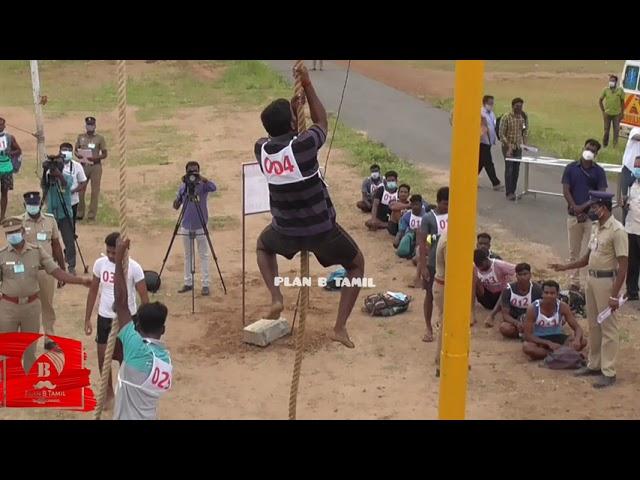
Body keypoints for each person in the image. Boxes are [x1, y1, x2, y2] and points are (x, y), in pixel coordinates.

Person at [254, 63, 364, 348]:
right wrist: (308, 86)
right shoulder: (303, 147)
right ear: (293, 124)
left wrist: (291, 112)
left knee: (263, 246)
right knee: (356, 264)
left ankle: (277, 296)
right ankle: (339, 327)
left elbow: (277, 137)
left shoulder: (262, 150)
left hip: (285, 231)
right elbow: (321, 123)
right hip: (321, 230)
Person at [550, 191, 628, 388]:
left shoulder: (617, 231)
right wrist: (565, 267)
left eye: (595, 207)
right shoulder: (596, 227)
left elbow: (623, 266)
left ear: (603, 208)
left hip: (606, 282)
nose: (592, 210)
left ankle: (608, 371)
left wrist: (614, 295)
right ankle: (595, 364)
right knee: (594, 324)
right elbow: (587, 258)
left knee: (608, 327)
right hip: (591, 280)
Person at [0, 217, 91, 372]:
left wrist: (80, 281)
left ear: (22, 231)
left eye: (15, 232)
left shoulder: (36, 252)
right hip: (8, 308)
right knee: (6, 352)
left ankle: (28, 388)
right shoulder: (2, 255)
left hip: (31, 308)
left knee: (30, 351)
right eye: (9, 233)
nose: (12, 236)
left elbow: (57, 272)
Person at [84, 232, 149, 407]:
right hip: (105, 317)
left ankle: (126, 393)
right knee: (103, 356)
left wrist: (145, 326)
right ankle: (108, 394)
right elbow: (93, 290)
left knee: (126, 358)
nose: (112, 256)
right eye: (109, 252)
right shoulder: (100, 264)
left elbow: (143, 296)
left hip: (128, 319)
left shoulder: (134, 268)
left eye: (115, 252)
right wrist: (87, 318)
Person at [112, 238, 172, 420]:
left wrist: (118, 258)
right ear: (163, 329)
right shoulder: (166, 360)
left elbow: (121, 304)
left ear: (137, 326)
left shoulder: (135, 346)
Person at [20, 191, 67, 351]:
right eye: (30, 205)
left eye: (36, 205)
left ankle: (49, 339)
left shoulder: (50, 221)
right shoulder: (18, 222)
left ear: (40, 204)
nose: (33, 208)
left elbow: (56, 245)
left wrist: (62, 269)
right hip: (26, 272)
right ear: (25, 205)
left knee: (47, 306)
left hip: (46, 271)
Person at [561, 139, 607, 290]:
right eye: (588, 148)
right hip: (573, 216)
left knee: (593, 251)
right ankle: (574, 283)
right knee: (573, 251)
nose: (589, 152)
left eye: (593, 150)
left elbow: (601, 194)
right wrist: (576, 208)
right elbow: (566, 190)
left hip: (591, 218)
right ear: (583, 148)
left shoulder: (599, 172)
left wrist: (585, 209)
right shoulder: (571, 168)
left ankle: (590, 284)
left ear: (596, 154)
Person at [172, 161, 217, 296]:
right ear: (186, 172)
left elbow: (214, 187)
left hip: (201, 225)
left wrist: (202, 178)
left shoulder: (203, 186)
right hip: (186, 226)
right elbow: (175, 206)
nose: (192, 174)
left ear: (198, 171)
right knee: (188, 256)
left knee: (203, 255)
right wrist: (181, 194)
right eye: (190, 171)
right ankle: (188, 283)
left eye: (195, 171)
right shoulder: (183, 187)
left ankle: (205, 284)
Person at [522, 280, 586, 360]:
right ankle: (562, 353)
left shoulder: (563, 306)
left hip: (557, 336)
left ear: (557, 295)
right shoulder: (533, 308)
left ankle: (553, 355)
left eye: (552, 293)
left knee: (582, 341)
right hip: (539, 338)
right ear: (542, 294)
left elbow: (577, 328)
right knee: (527, 347)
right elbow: (527, 335)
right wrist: (548, 343)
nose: (549, 296)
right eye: (546, 293)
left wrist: (576, 340)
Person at [417, 187, 449, 342]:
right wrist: (423, 266)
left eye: (450, 203)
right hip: (433, 263)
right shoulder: (428, 218)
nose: (447, 207)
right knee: (429, 295)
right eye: (444, 204)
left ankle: (445, 324)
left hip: (451, 263)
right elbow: (422, 243)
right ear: (437, 202)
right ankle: (428, 327)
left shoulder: (455, 214)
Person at [42, 151, 77, 275]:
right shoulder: (47, 176)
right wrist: (44, 172)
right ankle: (53, 263)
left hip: (64, 213)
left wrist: (59, 176)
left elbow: (65, 185)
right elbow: (44, 187)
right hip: (51, 213)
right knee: (51, 240)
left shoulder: (67, 176)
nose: (53, 168)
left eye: (56, 166)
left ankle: (71, 265)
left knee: (69, 240)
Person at [74, 116, 107, 222]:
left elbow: (105, 153)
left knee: (94, 191)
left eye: (92, 125)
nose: (90, 126)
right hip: (83, 166)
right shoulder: (80, 137)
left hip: (95, 167)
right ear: (85, 125)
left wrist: (95, 158)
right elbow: (76, 150)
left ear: (95, 126)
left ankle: (91, 215)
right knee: (80, 190)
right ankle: (79, 213)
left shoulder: (100, 138)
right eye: (88, 125)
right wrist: (78, 155)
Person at [498, 263, 543, 339]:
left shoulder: (537, 289)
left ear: (530, 275)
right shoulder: (508, 289)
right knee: (504, 328)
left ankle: (527, 334)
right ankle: (525, 335)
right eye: (520, 274)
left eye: (525, 274)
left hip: (532, 321)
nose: (523, 277)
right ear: (516, 276)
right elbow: (505, 314)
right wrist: (517, 323)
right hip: (514, 321)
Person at [499, 97, 527, 201]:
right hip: (507, 147)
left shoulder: (521, 118)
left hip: (518, 147)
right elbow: (501, 134)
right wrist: (508, 145)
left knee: (516, 169)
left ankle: (513, 191)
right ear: (513, 106)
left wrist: (525, 144)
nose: (519, 108)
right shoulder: (506, 117)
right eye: (517, 106)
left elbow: (524, 131)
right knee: (509, 169)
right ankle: (509, 192)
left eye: (521, 106)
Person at [473, 248, 516, 313]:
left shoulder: (499, 265)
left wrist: (511, 283)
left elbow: (518, 270)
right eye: (478, 266)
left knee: (507, 288)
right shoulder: (474, 268)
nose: (480, 268)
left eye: (481, 265)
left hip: (501, 296)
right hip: (487, 299)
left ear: (486, 259)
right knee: (473, 279)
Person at [0, 117, 22, 222]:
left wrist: (9, 153)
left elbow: (18, 150)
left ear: (4, 126)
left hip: (6, 169)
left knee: (4, 193)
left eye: (1, 125)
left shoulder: (9, 138)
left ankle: (2, 216)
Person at [60, 142, 87, 228]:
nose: (66, 152)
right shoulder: (54, 165)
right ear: (59, 151)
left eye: (69, 150)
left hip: (73, 201)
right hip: (58, 201)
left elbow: (83, 182)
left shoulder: (77, 166)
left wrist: (73, 191)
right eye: (64, 150)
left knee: (71, 226)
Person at [624, 156, 640, 301]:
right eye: (636, 167)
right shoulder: (632, 183)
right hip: (631, 228)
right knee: (632, 262)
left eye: (639, 167)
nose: (637, 170)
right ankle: (632, 291)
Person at [479, 95, 503, 190]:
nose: (491, 105)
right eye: (489, 103)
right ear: (484, 103)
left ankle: (469, 180)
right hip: (482, 142)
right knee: (488, 163)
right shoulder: (481, 113)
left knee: (480, 162)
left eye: (492, 103)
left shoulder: (491, 114)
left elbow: (493, 126)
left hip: (489, 142)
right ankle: (495, 183)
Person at [394, 194, 426, 258]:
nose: (415, 207)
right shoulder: (407, 216)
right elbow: (401, 231)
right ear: (411, 205)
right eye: (413, 205)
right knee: (401, 251)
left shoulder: (427, 216)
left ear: (421, 204)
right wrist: (397, 239)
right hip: (410, 237)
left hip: (424, 239)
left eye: (417, 204)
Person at [599, 75, 625, 148]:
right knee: (606, 131)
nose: (611, 82)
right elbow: (600, 100)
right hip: (607, 114)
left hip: (617, 114)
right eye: (610, 80)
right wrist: (603, 111)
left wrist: (622, 113)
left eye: (613, 81)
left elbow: (623, 102)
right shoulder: (606, 90)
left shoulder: (620, 90)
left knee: (616, 131)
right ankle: (604, 144)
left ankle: (615, 145)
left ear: (616, 82)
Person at [620, 127, 640, 224]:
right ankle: (625, 228)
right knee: (626, 200)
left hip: (638, 173)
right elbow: (636, 137)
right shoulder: (635, 130)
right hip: (628, 170)